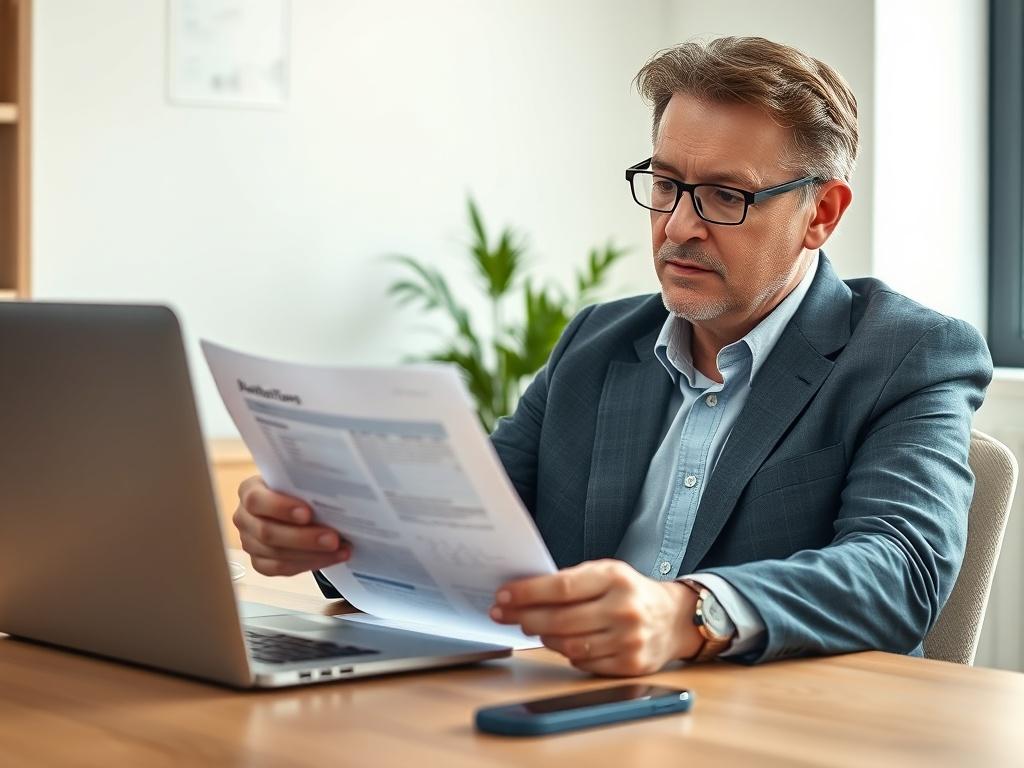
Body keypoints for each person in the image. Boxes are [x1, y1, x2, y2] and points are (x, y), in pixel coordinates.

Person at [232, 37, 992, 676]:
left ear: (820, 213)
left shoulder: (908, 353)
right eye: (665, 183)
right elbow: (466, 521)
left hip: (781, 730)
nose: (678, 228)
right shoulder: (599, 343)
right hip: (570, 709)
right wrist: (329, 534)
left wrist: (688, 613)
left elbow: (900, 570)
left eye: (725, 196)